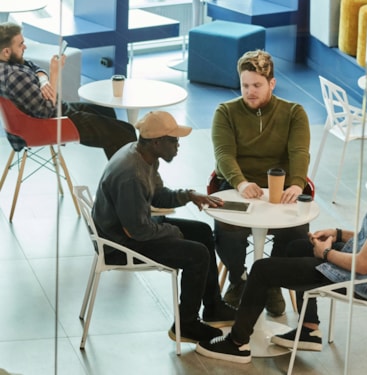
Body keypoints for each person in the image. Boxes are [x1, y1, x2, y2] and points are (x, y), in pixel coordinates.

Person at [91, 110, 236, 343]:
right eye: (174, 140)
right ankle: (186, 324)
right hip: (119, 245)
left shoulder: (145, 156)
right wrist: (174, 232)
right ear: (157, 142)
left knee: (201, 231)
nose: (178, 145)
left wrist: (190, 195)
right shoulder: (131, 174)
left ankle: (213, 307)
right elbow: (138, 232)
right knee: (197, 254)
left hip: (132, 227)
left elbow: (158, 196)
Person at [195, 206, 367, 363]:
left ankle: (236, 343)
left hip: (360, 281)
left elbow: (363, 265)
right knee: (297, 247)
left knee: (261, 270)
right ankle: (309, 327)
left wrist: (326, 253)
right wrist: (338, 234)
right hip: (361, 271)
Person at [211, 49, 311, 314]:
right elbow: (223, 155)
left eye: (257, 85)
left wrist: (296, 184)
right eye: (245, 85)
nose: (250, 91)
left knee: (297, 233)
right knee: (226, 229)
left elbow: (299, 152)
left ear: (272, 83)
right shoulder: (225, 112)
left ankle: (271, 282)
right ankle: (239, 279)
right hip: (236, 187)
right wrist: (241, 183)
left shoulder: (294, 113)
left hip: (280, 189)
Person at [0, 22, 136, 159]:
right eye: (20, 44)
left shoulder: (9, 64)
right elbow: (47, 111)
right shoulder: (15, 76)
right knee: (126, 132)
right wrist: (54, 73)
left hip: (53, 113)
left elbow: (31, 65)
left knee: (106, 112)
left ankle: (116, 174)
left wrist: (43, 80)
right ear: (6, 52)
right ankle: (130, 178)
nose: (25, 47)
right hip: (50, 124)